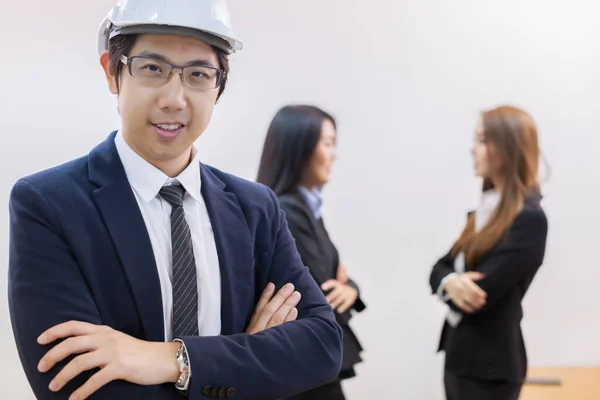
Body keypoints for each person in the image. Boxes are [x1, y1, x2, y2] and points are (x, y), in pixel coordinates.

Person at [7, 1, 343, 399]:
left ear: (218, 88)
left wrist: (172, 360)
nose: (175, 99)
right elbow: (74, 386)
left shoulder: (256, 208)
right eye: (152, 68)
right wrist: (246, 366)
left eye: (198, 74)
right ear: (112, 72)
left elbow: (322, 346)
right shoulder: (49, 204)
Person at [429, 105, 549, 400]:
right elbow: (438, 269)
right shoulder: (484, 211)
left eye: (483, 141)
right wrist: (450, 282)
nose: (473, 150)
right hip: (460, 355)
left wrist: (450, 282)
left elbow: (478, 295)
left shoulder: (529, 219)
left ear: (510, 147)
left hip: (491, 367)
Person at [256, 105, 366, 400]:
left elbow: (337, 276)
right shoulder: (288, 210)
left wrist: (349, 286)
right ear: (300, 147)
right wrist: (343, 284)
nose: (334, 155)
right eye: (328, 143)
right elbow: (321, 289)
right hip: (304, 360)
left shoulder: (305, 209)